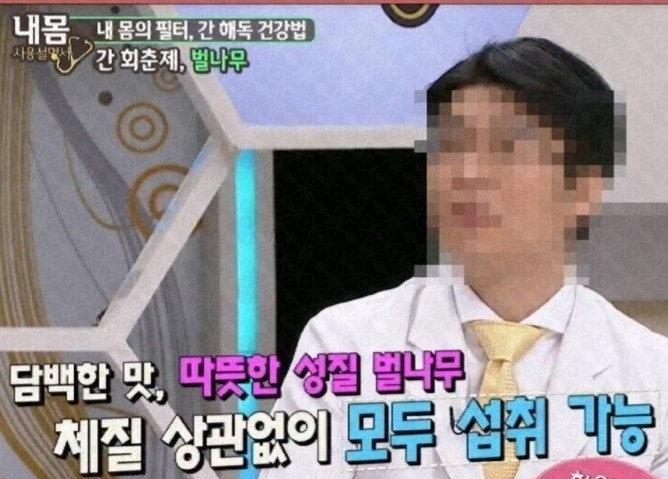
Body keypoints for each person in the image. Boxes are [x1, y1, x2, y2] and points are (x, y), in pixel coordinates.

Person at [260, 37, 668, 479]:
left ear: (583, 190)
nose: (468, 175)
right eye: (451, 148)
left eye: (507, 148)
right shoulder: (344, 345)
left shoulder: (653, 375)